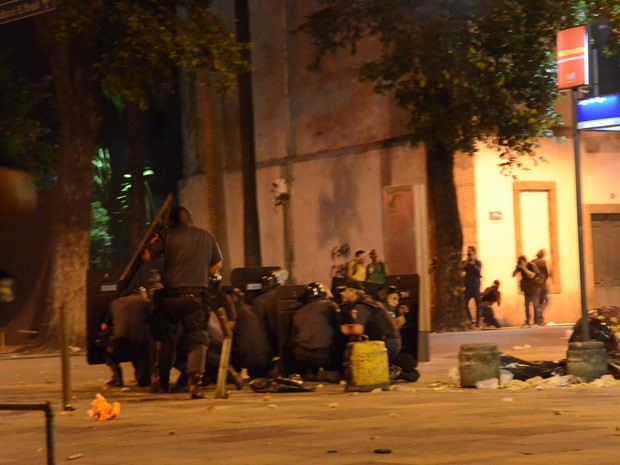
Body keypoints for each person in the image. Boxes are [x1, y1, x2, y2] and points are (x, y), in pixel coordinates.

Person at [142, 205, 223, 399]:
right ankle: (195, 383)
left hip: (171, 298)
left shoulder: (166, 235)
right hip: (196, 297)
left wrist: (151, 240)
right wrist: (203, 274)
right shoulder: (207, 236)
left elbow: (146, 257)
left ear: (172, 221)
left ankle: (162, 380)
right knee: (198, 338)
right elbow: (217, 265)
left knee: (167, 339)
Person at [338, 281, 402, 381]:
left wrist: (347, 330)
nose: (341, 293)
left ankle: (391, 369)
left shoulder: (362, 306)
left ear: (352, 292)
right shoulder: (368, 302)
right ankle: (395, 370)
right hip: (389, 341)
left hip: (387, 344)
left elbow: (358, 330)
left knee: (352, 344)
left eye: (344, 291)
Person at [289, 282, 344, 382]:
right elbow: (339, 330)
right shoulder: (330, 305)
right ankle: (332, 372)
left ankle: (311, 372)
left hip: (302, 355)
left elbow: (293, 338)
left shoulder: (298, 312)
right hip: (324, 355)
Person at [99, 286, 153, 387]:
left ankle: (117, 377)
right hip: (142, 346)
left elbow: (104, 326)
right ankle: (143, 379)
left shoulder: (115, 303)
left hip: (121, 346)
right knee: (144, 351)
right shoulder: (146, 303)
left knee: (104, 342)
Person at [512, 255, 542, 327]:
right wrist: (516, 269)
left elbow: (532, 276)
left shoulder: (532, 265)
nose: (521, 264)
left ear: (525, 262)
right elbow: (513, 275)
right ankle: (527, 322)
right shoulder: (521, 267)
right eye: (520, 263)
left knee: (535, 305)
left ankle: (536, 322)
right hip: (527, 288)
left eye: (522, 262)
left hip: (535, 287)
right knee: (526, 305)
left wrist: (524, 268)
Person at [463, 246, 483, 328]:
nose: (469, 253)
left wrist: (473, 264)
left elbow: (478, 271)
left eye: (470, 251)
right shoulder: (466, 262)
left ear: (474, 252)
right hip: (468, 286)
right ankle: (470, 320)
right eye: (468, 251)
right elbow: (462, 269)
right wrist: (467, 263)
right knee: (464, 304)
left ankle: (478, 322)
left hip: (475, 286)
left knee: (478, 305)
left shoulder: (478, 262)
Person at [532, 249, 550, 321]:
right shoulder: (543, 262)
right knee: (544, 302)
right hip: (542, 285)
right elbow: (547, 274)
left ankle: (536, 319)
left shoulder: (532, 262)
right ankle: (540, 317)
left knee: (536, 303)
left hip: (534, 285)